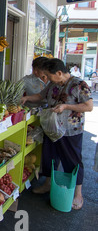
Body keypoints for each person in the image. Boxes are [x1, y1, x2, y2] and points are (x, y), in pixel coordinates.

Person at [21, 58, 93, 210]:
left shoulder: (79, 85)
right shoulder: (53, 84)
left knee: (72, 160)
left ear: (59, 73)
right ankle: (47, 184)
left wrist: (66, 106)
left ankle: (78, 194)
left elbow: (89, 106)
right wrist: (26, 98)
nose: (46, 78)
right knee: (50, 157)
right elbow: (40, 96)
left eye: (49, 75)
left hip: (70, 130)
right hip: (52, 128)